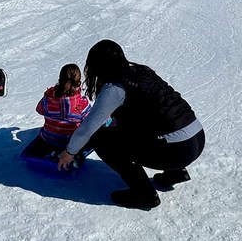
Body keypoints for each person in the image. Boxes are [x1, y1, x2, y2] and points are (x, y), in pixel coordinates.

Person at [55, 40, 204, 209]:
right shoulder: (140, 72)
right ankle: (176, 172)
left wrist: (69, 152)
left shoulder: (115, 88)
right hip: (196, 137)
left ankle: (145, 194)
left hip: (178, 150)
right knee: (152, 126)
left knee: (100, 138)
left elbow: (88, 128)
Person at [22, 63, 90, 160]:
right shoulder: (81, 103)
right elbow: (91, 120)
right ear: (79, 83)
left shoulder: (48, 99)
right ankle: (72, 157)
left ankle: (50, 152)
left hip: (48, 140)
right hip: (70, 145)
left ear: (60, 80)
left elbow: (39, 109)